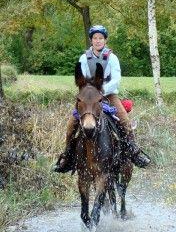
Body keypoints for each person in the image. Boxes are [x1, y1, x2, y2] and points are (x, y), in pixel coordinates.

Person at [54, 25, 150, 173]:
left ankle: (134, 152)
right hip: (89, 97)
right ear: (91, 40)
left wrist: (102, 90)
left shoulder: (112, 58)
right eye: (95, 38)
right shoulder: (83, 58)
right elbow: (83, 80)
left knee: (124, 121)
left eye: (100, 38)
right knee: (71, 124)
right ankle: (67, 156)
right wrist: (90, 91)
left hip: (109, 94)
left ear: (105, 40)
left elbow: (116, 80)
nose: (98, 41)